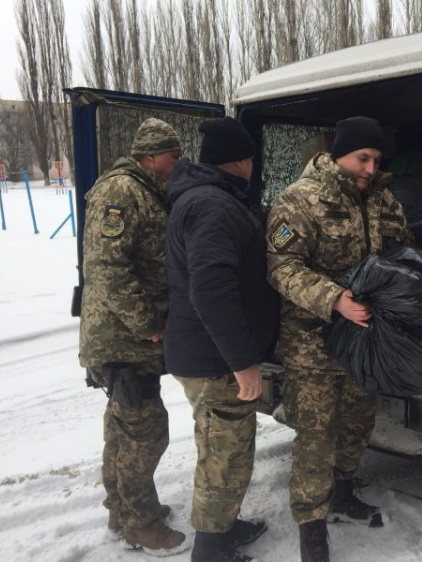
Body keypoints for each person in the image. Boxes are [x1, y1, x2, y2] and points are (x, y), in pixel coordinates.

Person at [266, 116, 413, 562]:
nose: (370, 168)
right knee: (315, 437)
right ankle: (312, 529)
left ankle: (344, 493)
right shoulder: (299, 200)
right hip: (313, 345)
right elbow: (281, 268)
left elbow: (405, 254)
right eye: (362, 158)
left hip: (367, 343)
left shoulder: (385, 202)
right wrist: (334, 299)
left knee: (356, 425)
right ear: (338, 154)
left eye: (376, 159)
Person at [165, 117, 279, 562]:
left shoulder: (210, 199)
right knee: (224, 459)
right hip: (215, 361)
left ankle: (224, 527)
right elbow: (210, 289)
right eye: (252, 157)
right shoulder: (213, 206)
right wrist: (243, 362)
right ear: (242, 160)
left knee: (221, 448)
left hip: (206, 354)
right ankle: (212, 550)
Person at [79, 118, 186, 556]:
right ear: (150, 157)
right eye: (173, 157)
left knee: (123, 428)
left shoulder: (147, 191)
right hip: (122, 338)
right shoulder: (121, 193)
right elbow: (107, 270)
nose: (178, 164)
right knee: (147, 432)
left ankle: (123, 510)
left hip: (127, 339)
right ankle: (141, 524)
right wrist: (147, 323)